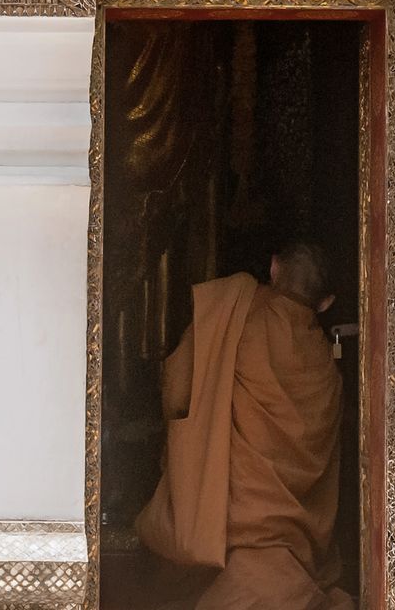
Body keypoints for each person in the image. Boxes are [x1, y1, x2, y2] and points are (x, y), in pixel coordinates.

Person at [137, 243, 354, 610]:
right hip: (294, 541)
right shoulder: (327, 371)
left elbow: (177, 390)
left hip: (229, 528)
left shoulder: (234, 313)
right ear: (325, 303)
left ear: (272, 269)